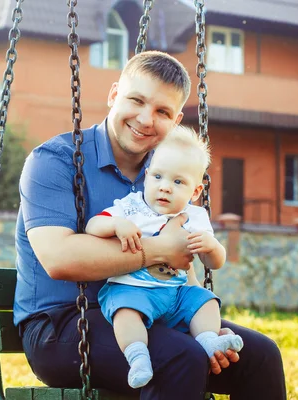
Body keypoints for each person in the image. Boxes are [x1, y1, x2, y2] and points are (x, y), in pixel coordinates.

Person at [14, 50, 286, 399]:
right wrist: (159, 250)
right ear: (114, 95)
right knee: (180, 357)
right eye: (136, 100)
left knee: (259, 356)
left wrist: (204, 327)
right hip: (62, 324)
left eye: (162, 112)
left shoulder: (164, 177)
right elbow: (59, 258)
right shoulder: (54, 161)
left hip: (154, 313)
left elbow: (181, 259)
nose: (145, 119)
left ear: (175, 121)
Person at [85, 125, 243, 389]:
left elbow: (214, 263)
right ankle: (137, 357)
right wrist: (115, 226)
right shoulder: (131, 206)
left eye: (178, 182)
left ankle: (207, 340)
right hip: (133, 289)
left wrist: (211, 246)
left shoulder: (195, 217)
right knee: (125, 312)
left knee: (205, 300)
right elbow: (92, 226)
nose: (165, 188)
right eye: (158, 177)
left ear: (195, 192)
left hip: (176, 294)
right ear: (146, 177)